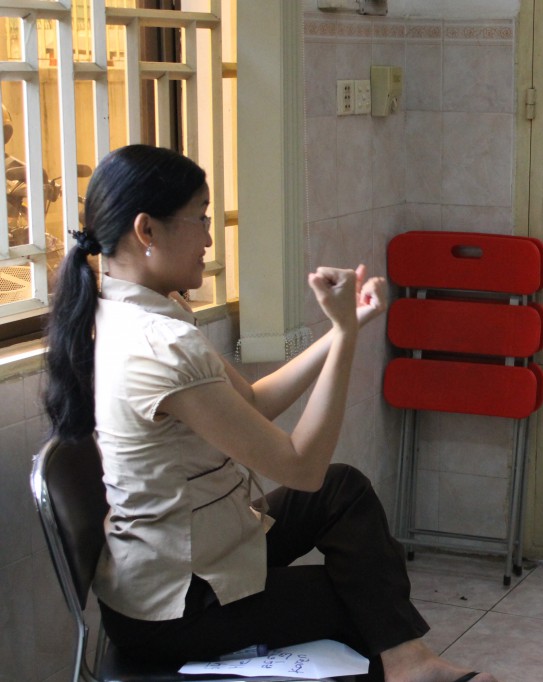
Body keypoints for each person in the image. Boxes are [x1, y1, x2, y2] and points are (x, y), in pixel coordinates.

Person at [43, 144, 494, 682]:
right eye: (201, 218)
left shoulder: (135, 312)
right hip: (174, 606)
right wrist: (347, 337)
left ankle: (409, 663)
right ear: (147, 231)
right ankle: (407, 665)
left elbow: (252, 402)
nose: (210, 238)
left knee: (341, 490)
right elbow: (298, 464)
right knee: (356, 598)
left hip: (196, 552)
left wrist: (346, 326)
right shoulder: (158, 346)